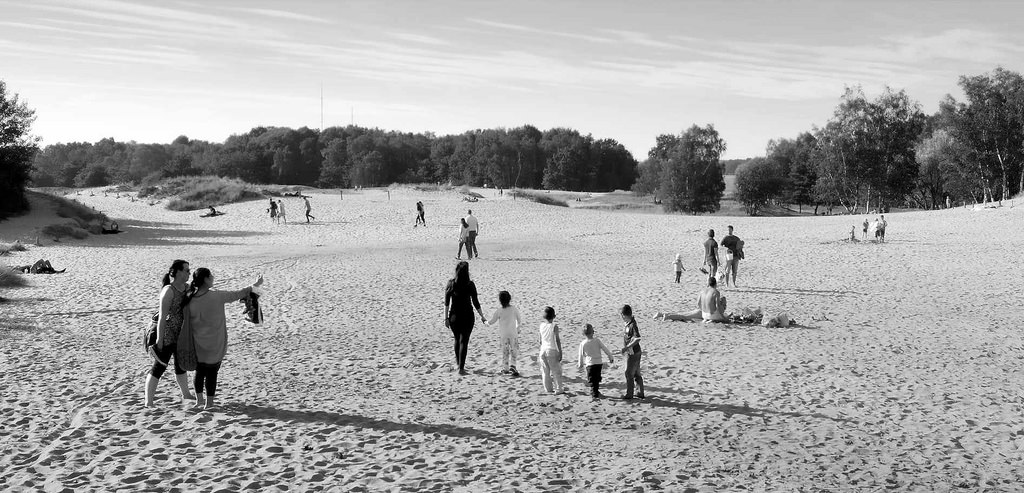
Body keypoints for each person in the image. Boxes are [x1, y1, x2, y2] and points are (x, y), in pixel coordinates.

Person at [181, 268, 263, 410]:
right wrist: (256, 284)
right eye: (211, 276)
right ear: (206, 279)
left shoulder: (190, 297)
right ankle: (209, 403)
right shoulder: (217, 296)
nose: (213, 278)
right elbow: (239, 293)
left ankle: (199, 401)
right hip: (215, 343)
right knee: (212, 373)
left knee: (199, 372)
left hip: (197, 342)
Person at [144, 260, 195, 407]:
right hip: (167, 334)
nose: (188, 273)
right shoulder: (168, 291)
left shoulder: (188, 288)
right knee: (159, 367)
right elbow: (162, 317)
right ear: (178, 272)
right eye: (186, 270)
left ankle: (186, 394)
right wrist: (160, 340)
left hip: (182, 334)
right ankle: (149, 402)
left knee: (181, 365)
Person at [444, 261, 486, 375]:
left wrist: (446, 318)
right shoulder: (470, 285)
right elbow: (476, 302)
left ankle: (458, 365)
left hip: (454, 316)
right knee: (464, 341)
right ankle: (461, 368)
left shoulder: (451, 284)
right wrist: (482, 316)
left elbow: (447, 303)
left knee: (457, 339)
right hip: (468, 316)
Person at [654, 277, 729, 322]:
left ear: (708, 284)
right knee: (684, 316)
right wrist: (723, 317)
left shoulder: (702, 291)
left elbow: (698, 303)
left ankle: (663, 314)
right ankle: (667, 316)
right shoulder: (716, 292)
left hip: (702, 311)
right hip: (708, 314)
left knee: (684, 314)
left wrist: (704, 308)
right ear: (715, 284)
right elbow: (718, 307)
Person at [485, 290, 523, 376]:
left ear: (500, 300)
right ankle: (513, 365)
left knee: (505, 351)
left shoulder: (499, 311)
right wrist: (518, 328)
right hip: (513, 333)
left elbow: (492, 321)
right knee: (514, 350)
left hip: (504, 335)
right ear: (510, 299)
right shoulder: (514, 309)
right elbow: (519, 320)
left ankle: (505, 368)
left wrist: (486, 322)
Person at [577, 323, 614, 399]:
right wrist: (610, 357)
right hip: (598, 363)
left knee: (591, 379)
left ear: (583, 334)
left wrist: (580, 364)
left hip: (589, 364)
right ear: (593, 332)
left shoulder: (583, 343)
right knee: (596, 379)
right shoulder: (597, 341)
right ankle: (595, 391)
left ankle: (595, 393)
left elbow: (580, 355)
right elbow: (605, 349)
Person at [619, 305, 645, 399]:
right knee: (637, 373)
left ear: (623, 315)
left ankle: (629, 394)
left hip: (633, 352)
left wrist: (627, 347)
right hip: (635, 352)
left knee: (629, 373)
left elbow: (638, 338)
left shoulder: (632, 325)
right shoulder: (628, 323)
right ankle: (640, 392)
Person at [538, 306, 565, 394]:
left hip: (543, 350)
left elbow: (540, 340)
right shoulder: (554, 326)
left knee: (545, 371)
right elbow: (557, 340)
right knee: (556, 371)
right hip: (551, 349)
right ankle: (558, 389)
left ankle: (548, 389)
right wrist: (560, 351)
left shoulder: (541, 325)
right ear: (554, 316)